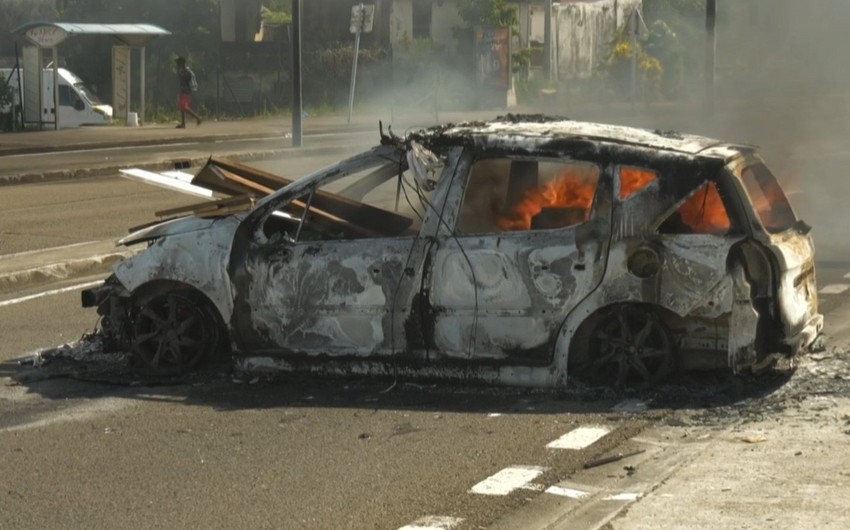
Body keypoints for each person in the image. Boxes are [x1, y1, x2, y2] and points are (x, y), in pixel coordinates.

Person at [175, 56, 202, 128]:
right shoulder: (182, 71)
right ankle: (183, 124)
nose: (177, 64)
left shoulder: (186, 72)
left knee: (184, 106)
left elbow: (185, 80)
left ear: (181, 63)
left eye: (178, 63)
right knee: (182, 108)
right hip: (183, 91)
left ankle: (198, 118)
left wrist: (179, 72)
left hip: (186, 92)